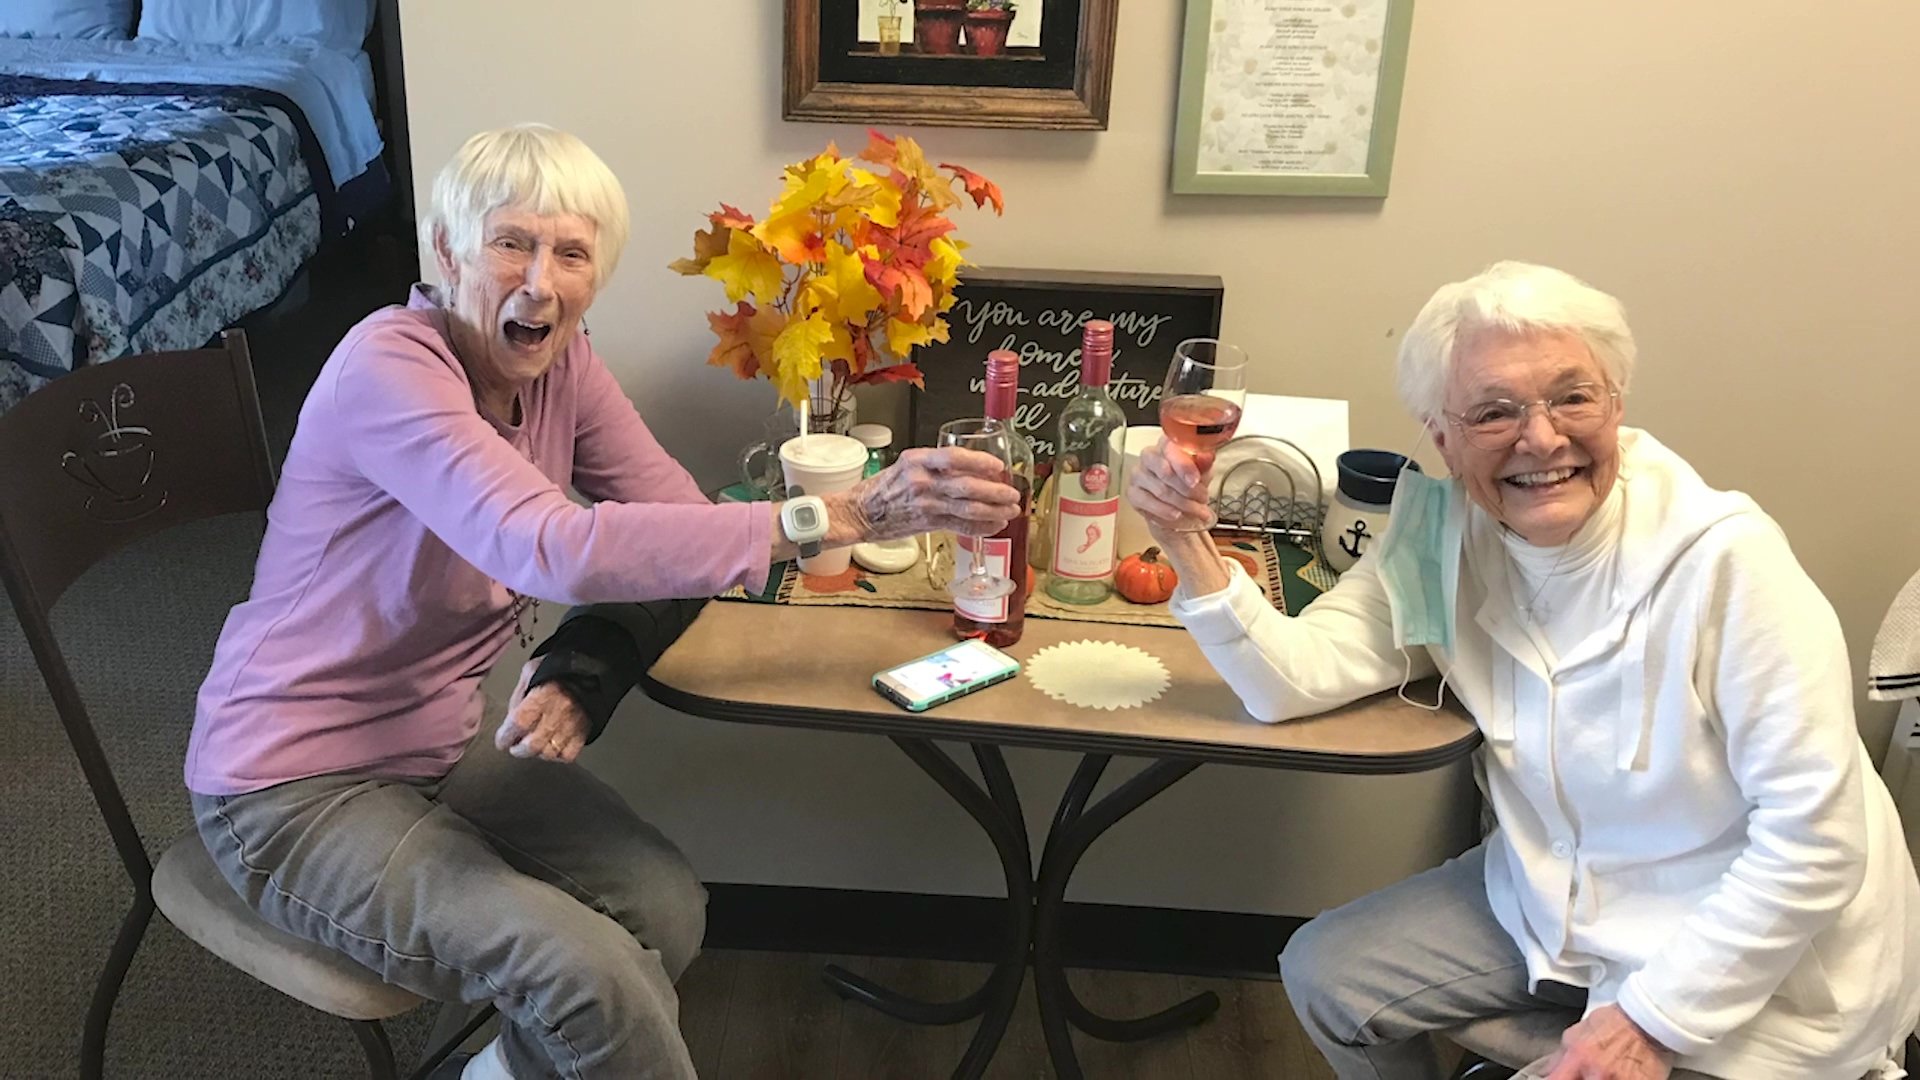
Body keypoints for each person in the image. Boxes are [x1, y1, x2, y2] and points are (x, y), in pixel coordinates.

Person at [183, 124, 1018, 1080]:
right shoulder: (390, 369)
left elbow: (682, 531)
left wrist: (586, 669)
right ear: (448, 250)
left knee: (666, 906)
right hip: (291, 785)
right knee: (588, 979)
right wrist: (842, 513)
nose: (541, 283)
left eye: (571, 254)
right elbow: (547, 546)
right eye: (511, 243)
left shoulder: (562, 365)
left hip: (436, 744)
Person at [1126, 261, 1920, 1080]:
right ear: (1443, 438)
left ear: (1617, 403)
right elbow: (1287, 681)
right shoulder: (1438, 540)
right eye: (1494, 412)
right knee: (1328, 975)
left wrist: (1648, 1023)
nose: (1541, 439)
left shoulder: (1726, 560)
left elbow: (1816, 842)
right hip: (1558, 897)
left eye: (1573, 398)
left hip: (1760, 961)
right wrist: (1186, 542)